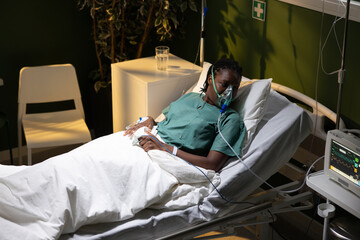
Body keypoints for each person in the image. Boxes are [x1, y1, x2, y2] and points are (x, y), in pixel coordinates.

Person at [124, 58, 246, 172]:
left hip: (167, 156)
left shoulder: (230, 119)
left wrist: (165, 148)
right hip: (149, 140)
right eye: (224, 85)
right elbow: (173, 124)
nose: (229, 92)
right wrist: (151, 121)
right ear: (210, 79)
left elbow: (212, 164)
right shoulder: (191, 97)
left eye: (234, 88)